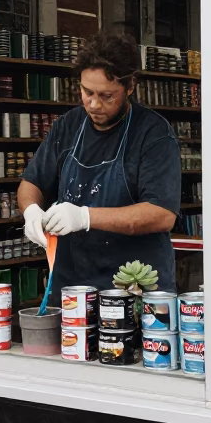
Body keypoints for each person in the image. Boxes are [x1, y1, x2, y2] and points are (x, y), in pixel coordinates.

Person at [19, 31, 180, 296]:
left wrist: (84, 217)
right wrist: (31, 211)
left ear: (130, 87)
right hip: (72, 285)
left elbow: (162, 214)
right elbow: (31, 183)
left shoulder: (153, 134)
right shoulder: (68, 126)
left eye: (107, 96)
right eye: (87, 92)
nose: (94, 104)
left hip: (134, 286)